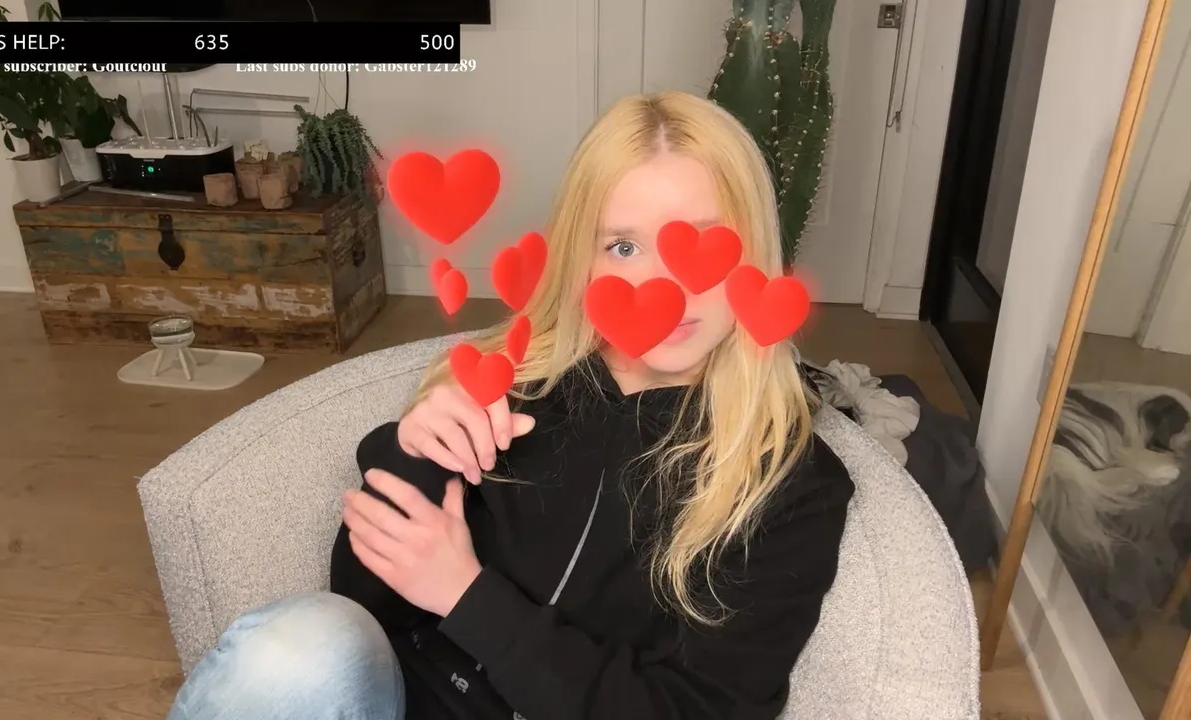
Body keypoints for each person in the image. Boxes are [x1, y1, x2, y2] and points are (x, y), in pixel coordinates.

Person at [167, 90, 855, 720]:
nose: (662, 288)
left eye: (702, 242)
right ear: (581, 259)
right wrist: (414, 456)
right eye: (623, 246)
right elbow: (358, 609)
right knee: (299, 644)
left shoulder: (794, 485)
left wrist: (470, 599)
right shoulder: (507, 379)